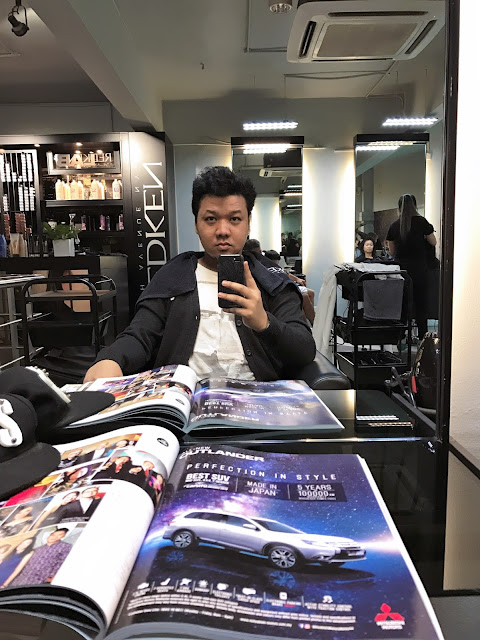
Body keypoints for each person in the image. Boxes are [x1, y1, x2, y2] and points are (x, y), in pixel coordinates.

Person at [83, 166, 315, 383]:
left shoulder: (272, 280)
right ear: (196, 224)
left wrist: (264, 323)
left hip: (257, 398)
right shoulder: (172, 276)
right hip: (184, 397)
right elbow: (141, 334)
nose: (222, 231)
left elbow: (304, 351)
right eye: (211, 219)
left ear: (248, 223)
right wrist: (111, 360)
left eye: (234, 219)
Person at [386, 194, 437, 339]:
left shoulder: (394, 225)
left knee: (402, 304)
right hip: (420, 269)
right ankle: (422, 337)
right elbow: (433, 242)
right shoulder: (422, 222)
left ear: (399, 207)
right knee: (421, 304)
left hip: (402, 271)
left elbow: (391, 251)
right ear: (414, 206)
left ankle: (400, 337)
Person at [3, 528, 71, 587]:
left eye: (60, 535)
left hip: (40, 580)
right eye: (53, 534)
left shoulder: (65, 546)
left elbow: (63, 563)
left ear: (63, 536)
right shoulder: (37, 549)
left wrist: (52, 578)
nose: (55, 537)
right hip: (22, 578)